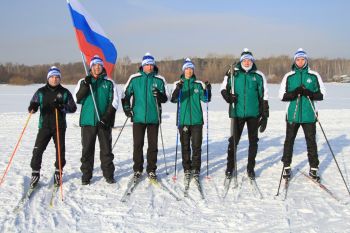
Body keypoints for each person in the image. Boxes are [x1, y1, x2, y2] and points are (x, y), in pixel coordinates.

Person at [221, 48, 269, 180]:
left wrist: (265, 115)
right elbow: (223, 88)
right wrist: (229, 97)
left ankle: (250, 168)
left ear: (252, 61)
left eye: (249, 60)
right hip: (237, 112)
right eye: (245, 60)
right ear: (241, 61)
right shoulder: (233, 73)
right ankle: (230, 168)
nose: (247, 62)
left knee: (253, 142)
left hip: (254, 114)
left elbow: (264, 96)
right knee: (233, 141)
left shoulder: (259, 75)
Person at [279, 48, 326, 181]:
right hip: (292, 115)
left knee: (311, 142)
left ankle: (314, 168)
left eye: (302, 59)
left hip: (309, 115)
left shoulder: (313, 75)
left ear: (306, 60)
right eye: (298, 59)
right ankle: (286, 166)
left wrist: (310, 94)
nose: (300, 62)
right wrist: (293, 93)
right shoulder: (289, 76)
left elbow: (322, 94)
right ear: (295, 61)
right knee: (289, 141)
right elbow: (281, 96)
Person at [121, 52, 169, 181]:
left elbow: (166, 97)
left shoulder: (159, 79)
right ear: (142, 66)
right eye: (147, 65)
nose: (149, 67)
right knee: (138, 145)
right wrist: (127, 109)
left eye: (151, 65)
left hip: (154, 118)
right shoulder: (134, 78)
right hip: (138, 117)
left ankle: (151, 170)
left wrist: (159, 95)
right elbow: (125, 95)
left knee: (153, 146)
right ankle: (137, 169)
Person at [28, 66, 77, 188]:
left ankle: (58, 172)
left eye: (57, 77)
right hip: (44, 126)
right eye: (52, 77)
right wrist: (33, 107)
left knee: (60, 151)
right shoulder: (40, 92)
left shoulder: (65, 92)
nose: (54, 79)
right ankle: (35, 172)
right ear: (48, 78)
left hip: (59, 126)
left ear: (60, 79)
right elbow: (33, 104)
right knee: (38, 150)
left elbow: (73, 108)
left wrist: (61, 107)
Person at [74, 55, 119, 185]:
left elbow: (114, 102)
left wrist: (106, 118)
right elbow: (78, 98)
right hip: (88, 121)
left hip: (104, 122)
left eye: (99, 65)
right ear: (91, 67)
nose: (97, 67)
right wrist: (85, 85)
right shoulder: (83, 81)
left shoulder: (109, 82)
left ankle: (108, 174)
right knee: (87, 149)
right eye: (94, 65)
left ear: (102, 66)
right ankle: (86, 175)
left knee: (106, 150)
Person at [171, 58, 211, 184]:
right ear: (183, 70)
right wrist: (178, 88)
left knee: (196, 147)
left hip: (197, 121)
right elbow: (172, 99)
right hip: (183, 121)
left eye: (191, 69)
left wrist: (208, 90)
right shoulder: (178, 84)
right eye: (187, 69)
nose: (189, 71)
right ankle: (187, 169)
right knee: (185, 147)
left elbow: (206, 99)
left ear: (193, 70)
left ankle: (196, 169)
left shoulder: (198, 84)